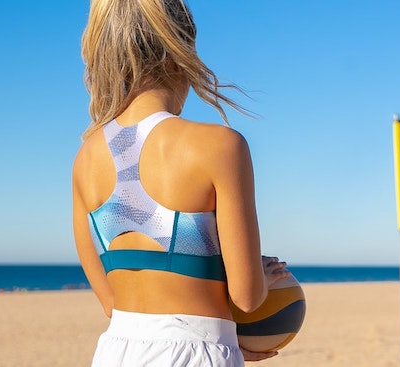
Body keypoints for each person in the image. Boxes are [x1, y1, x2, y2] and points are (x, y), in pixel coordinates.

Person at [72, 1, 289, 365]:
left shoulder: (86, 158)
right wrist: (263, 279)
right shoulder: (220, 146)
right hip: (196, 353)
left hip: (115, 351)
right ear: (181, 50)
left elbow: (111, 303)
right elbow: (248, 297)